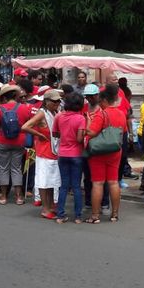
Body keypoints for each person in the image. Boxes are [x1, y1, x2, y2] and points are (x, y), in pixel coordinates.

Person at [84, 85, 127, 223]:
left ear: (103, 100)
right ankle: (115, 214)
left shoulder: (101, 114)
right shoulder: (121, 113)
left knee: (98, 184)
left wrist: (88, 123)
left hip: (98, 152)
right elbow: (123, 131)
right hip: (115, 151)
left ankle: (95, 216)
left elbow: (91, 132)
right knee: (113, 182)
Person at [21, 90, 61, 219]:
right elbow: (25, 126)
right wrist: (39, 135)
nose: (57, 103)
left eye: (58, 101)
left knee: (52, 182)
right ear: (47, 101)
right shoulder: (42, 113)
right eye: (54, 101)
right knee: (44, 182)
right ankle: (45, 209)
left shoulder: (55, 112)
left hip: (54, 151)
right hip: (44, 153)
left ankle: (50, 206)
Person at [0, 85, 32, 205]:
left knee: (3, 169)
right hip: (19, 141)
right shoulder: (24, 108)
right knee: (17, 168)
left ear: (4, 97)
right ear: (16, 96)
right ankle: (19, 197)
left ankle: (3, 196)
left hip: (2, 141)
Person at [52, 92, 86, 224]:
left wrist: (64, 135)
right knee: (76, 186)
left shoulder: (59, 116)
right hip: (76, 154)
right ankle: (77, 216)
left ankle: (60, 215)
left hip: (62, 153)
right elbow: (79, 139)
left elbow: (55, 133)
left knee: (64, 186)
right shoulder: (80, 118)